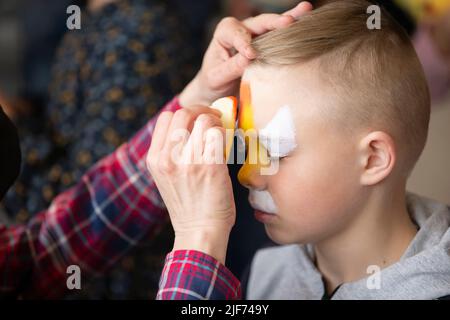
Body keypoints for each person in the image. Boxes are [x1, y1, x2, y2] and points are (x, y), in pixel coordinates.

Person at [0, 2, 313, 298]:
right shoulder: (264, 275)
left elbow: (48, 250)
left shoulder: (136, 32)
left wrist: (202, 93)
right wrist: (199, 234)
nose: (246, 177)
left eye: (276, 151)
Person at [153, 0, 450, 299]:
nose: (248, 176)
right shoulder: (267, 269)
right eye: (246, 146)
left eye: (273, 152)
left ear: (373, 158)